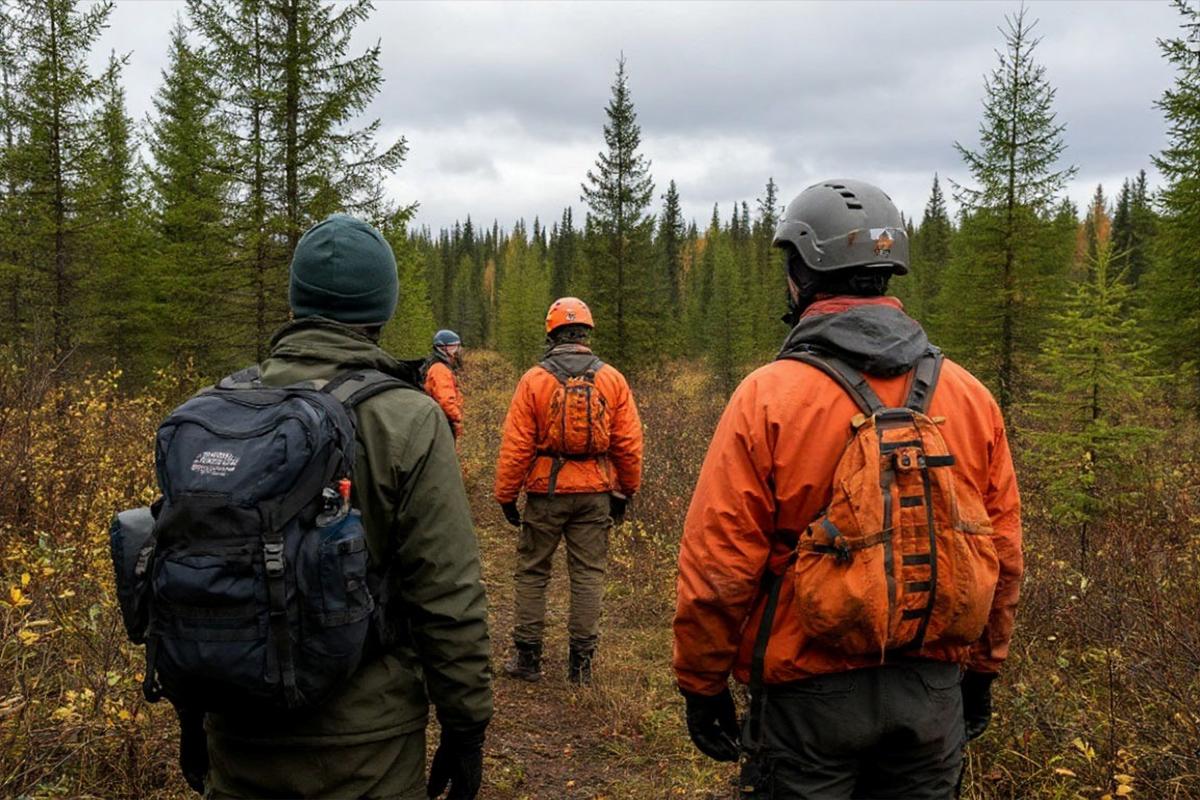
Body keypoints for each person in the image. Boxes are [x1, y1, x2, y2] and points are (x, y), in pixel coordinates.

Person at [672, 180, 1023, 799]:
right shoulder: (969, 396)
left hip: (805, 698)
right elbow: (1003, 554)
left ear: (802, 273)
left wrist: (701, 685)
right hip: (932, 692)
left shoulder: (767, 398)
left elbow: (720, 566)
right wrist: (982, 673)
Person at [203, 214, 493, 800]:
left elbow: (184, 575)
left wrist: (192, 713)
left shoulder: (214, 413)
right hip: (368, 745)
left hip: (235, 727)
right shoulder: (408, 419)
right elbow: (446, 591)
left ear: (294, 305)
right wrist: (466, 724)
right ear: (381, 312)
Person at [493, 297, 644, 685]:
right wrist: (626, 490)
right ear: (586, 333)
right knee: (588, 574)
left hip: (546, 493)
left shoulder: (534, 380)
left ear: (552, 333)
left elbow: (517, 445)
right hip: (595, 492)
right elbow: (628, 443)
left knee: (532, 572)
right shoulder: (612, 378)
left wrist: (506, 495)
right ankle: (581, 667)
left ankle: (528, 658)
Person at [425, 329, 465, 439]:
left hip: (440, 423)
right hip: (441, 425)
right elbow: (446, 401)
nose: (457, 352)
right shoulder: (440, 369)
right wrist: (458, 418)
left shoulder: (439, 367)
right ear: (442, 348)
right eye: (453, 347)